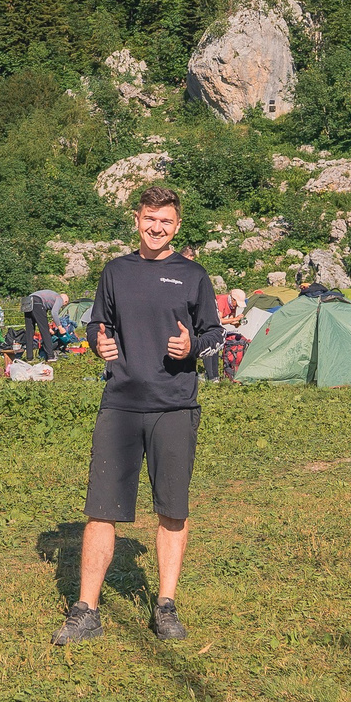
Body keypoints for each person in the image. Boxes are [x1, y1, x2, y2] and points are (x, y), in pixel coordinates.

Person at [54, 183, 219, 647]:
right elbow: (96, 323)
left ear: (177, 226)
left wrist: (192, 348)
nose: (157, 228)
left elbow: (215, 335)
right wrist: (96, 342)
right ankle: (86, 610)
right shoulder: (115, 272)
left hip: (174, 405)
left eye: (166, 221)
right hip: (121, 403)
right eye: (150, 219)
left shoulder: (193, 275)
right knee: (101, 509)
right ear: (137, 220)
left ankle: (165, 606)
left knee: (172, 509)